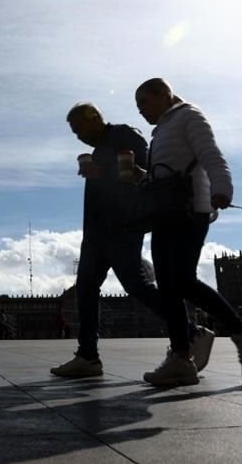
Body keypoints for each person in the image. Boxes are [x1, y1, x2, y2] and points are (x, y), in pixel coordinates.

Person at [50, 102, 215, 378]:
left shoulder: (126, 135)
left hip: (123, 225)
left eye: (79, 129)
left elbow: (144, 174)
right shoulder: (99, 149)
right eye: (75, 133)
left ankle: (192, 333)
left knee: (136, 284)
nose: (79, 136)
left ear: (94, 118)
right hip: (95, 230)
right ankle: (88, 356)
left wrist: (103, 173)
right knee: (85, 287)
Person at [134, 78, 242, 386]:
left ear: (162, 95)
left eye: (143, 103)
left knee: (181, 280)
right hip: (164, 214)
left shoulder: (189, 116)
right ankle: (181, 358)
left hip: (189, 211)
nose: (141, 111)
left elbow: (210, 154)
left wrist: (222, 189)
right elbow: (166, 176)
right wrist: (140, 176)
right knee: (168, 288)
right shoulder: (160, 132)